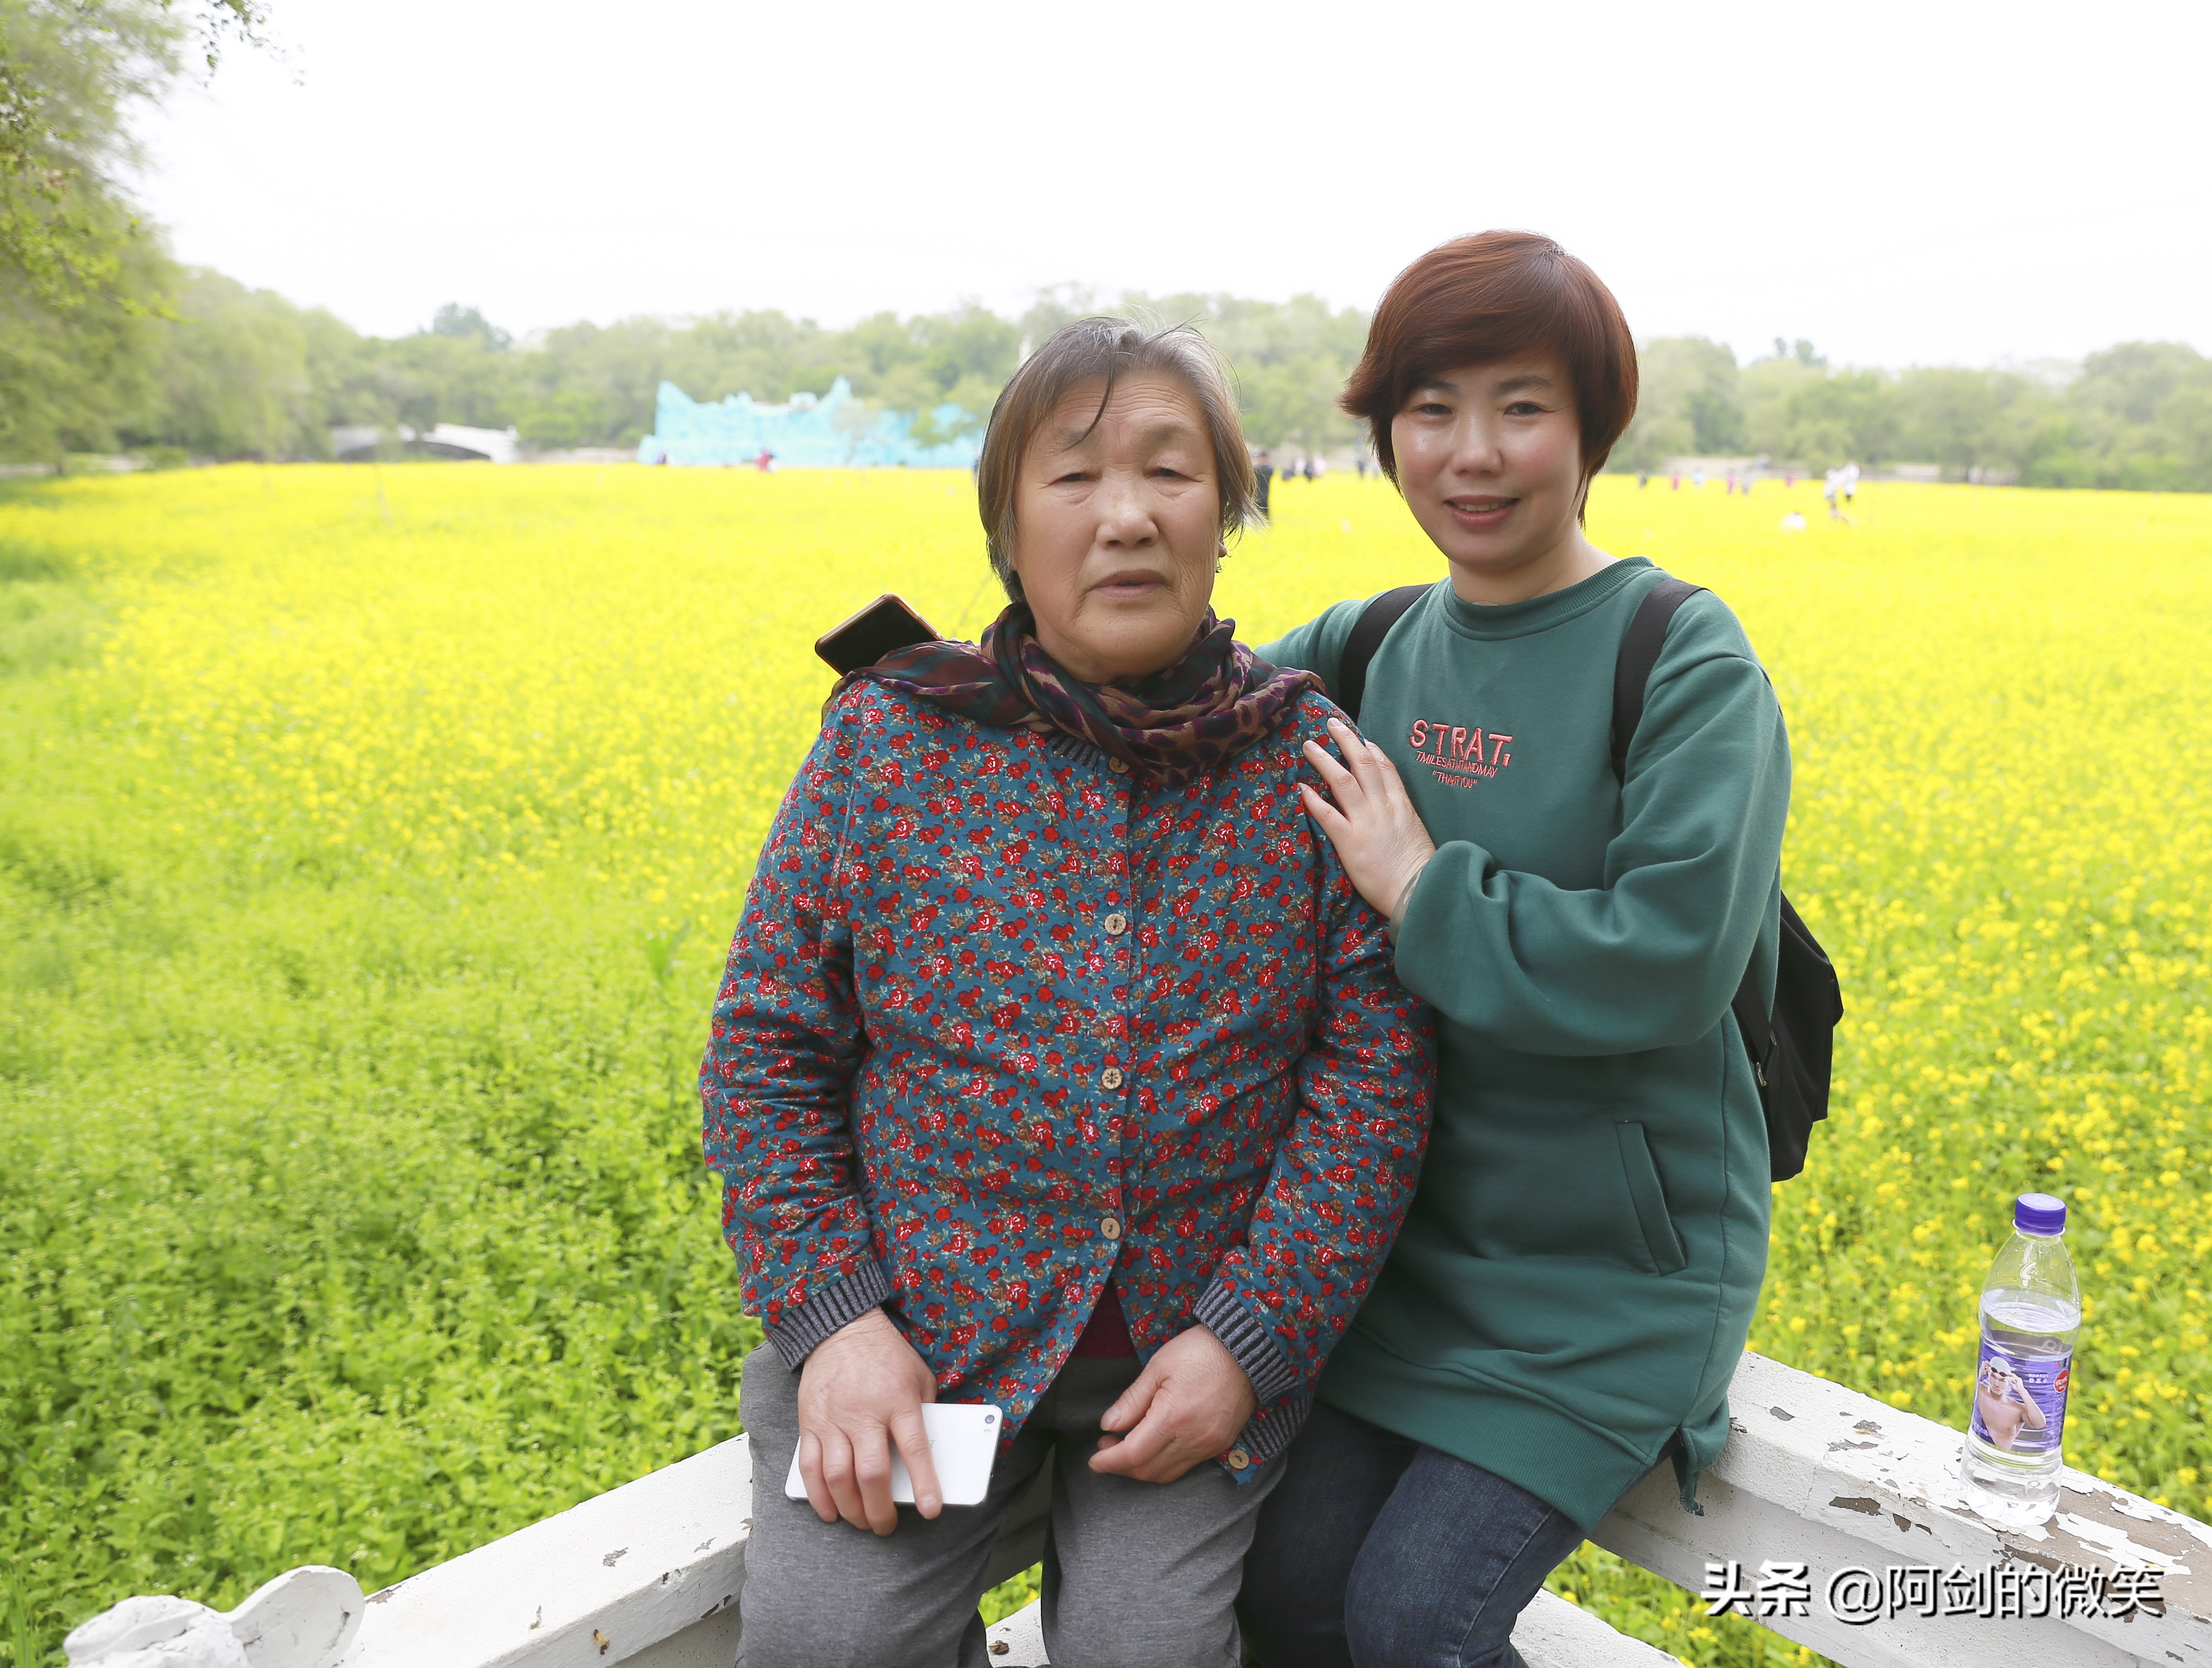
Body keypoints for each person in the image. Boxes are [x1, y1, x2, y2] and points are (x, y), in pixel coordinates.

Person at [702, 317, 1435, 1668]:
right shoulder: (891, 741)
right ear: (1006, 525)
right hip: (917, 1344)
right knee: (825, 1648)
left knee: (1141, 1651)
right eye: (1074, 477)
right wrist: (836, 1327)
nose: (1126, 519)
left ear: (1227, 516)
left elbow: (1372, 1085)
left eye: (1170, 473)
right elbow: (765, 1052)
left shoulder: (1305, 763)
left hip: (1185, 1367)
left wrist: (1247, 1341)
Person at [1235, 231, 1790, 1668]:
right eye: (1429, 410)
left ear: (1591, 429)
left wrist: (1421, 889)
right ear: (1382, 434)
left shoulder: (1678, 658)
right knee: (1278, 1595)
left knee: (1414, 1620)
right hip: (1402, 1262)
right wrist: (968, 701)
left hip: (1607, 1285)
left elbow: (1666, 960)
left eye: (1519, 407)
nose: (1469, 453)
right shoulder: (1362, 649)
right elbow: (1180, 719)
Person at [1255, 447, 1275, 517]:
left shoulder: (1267, 469)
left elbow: (1262, 472)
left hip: (1264, 493)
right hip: (1256, 493)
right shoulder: (1258, 469)